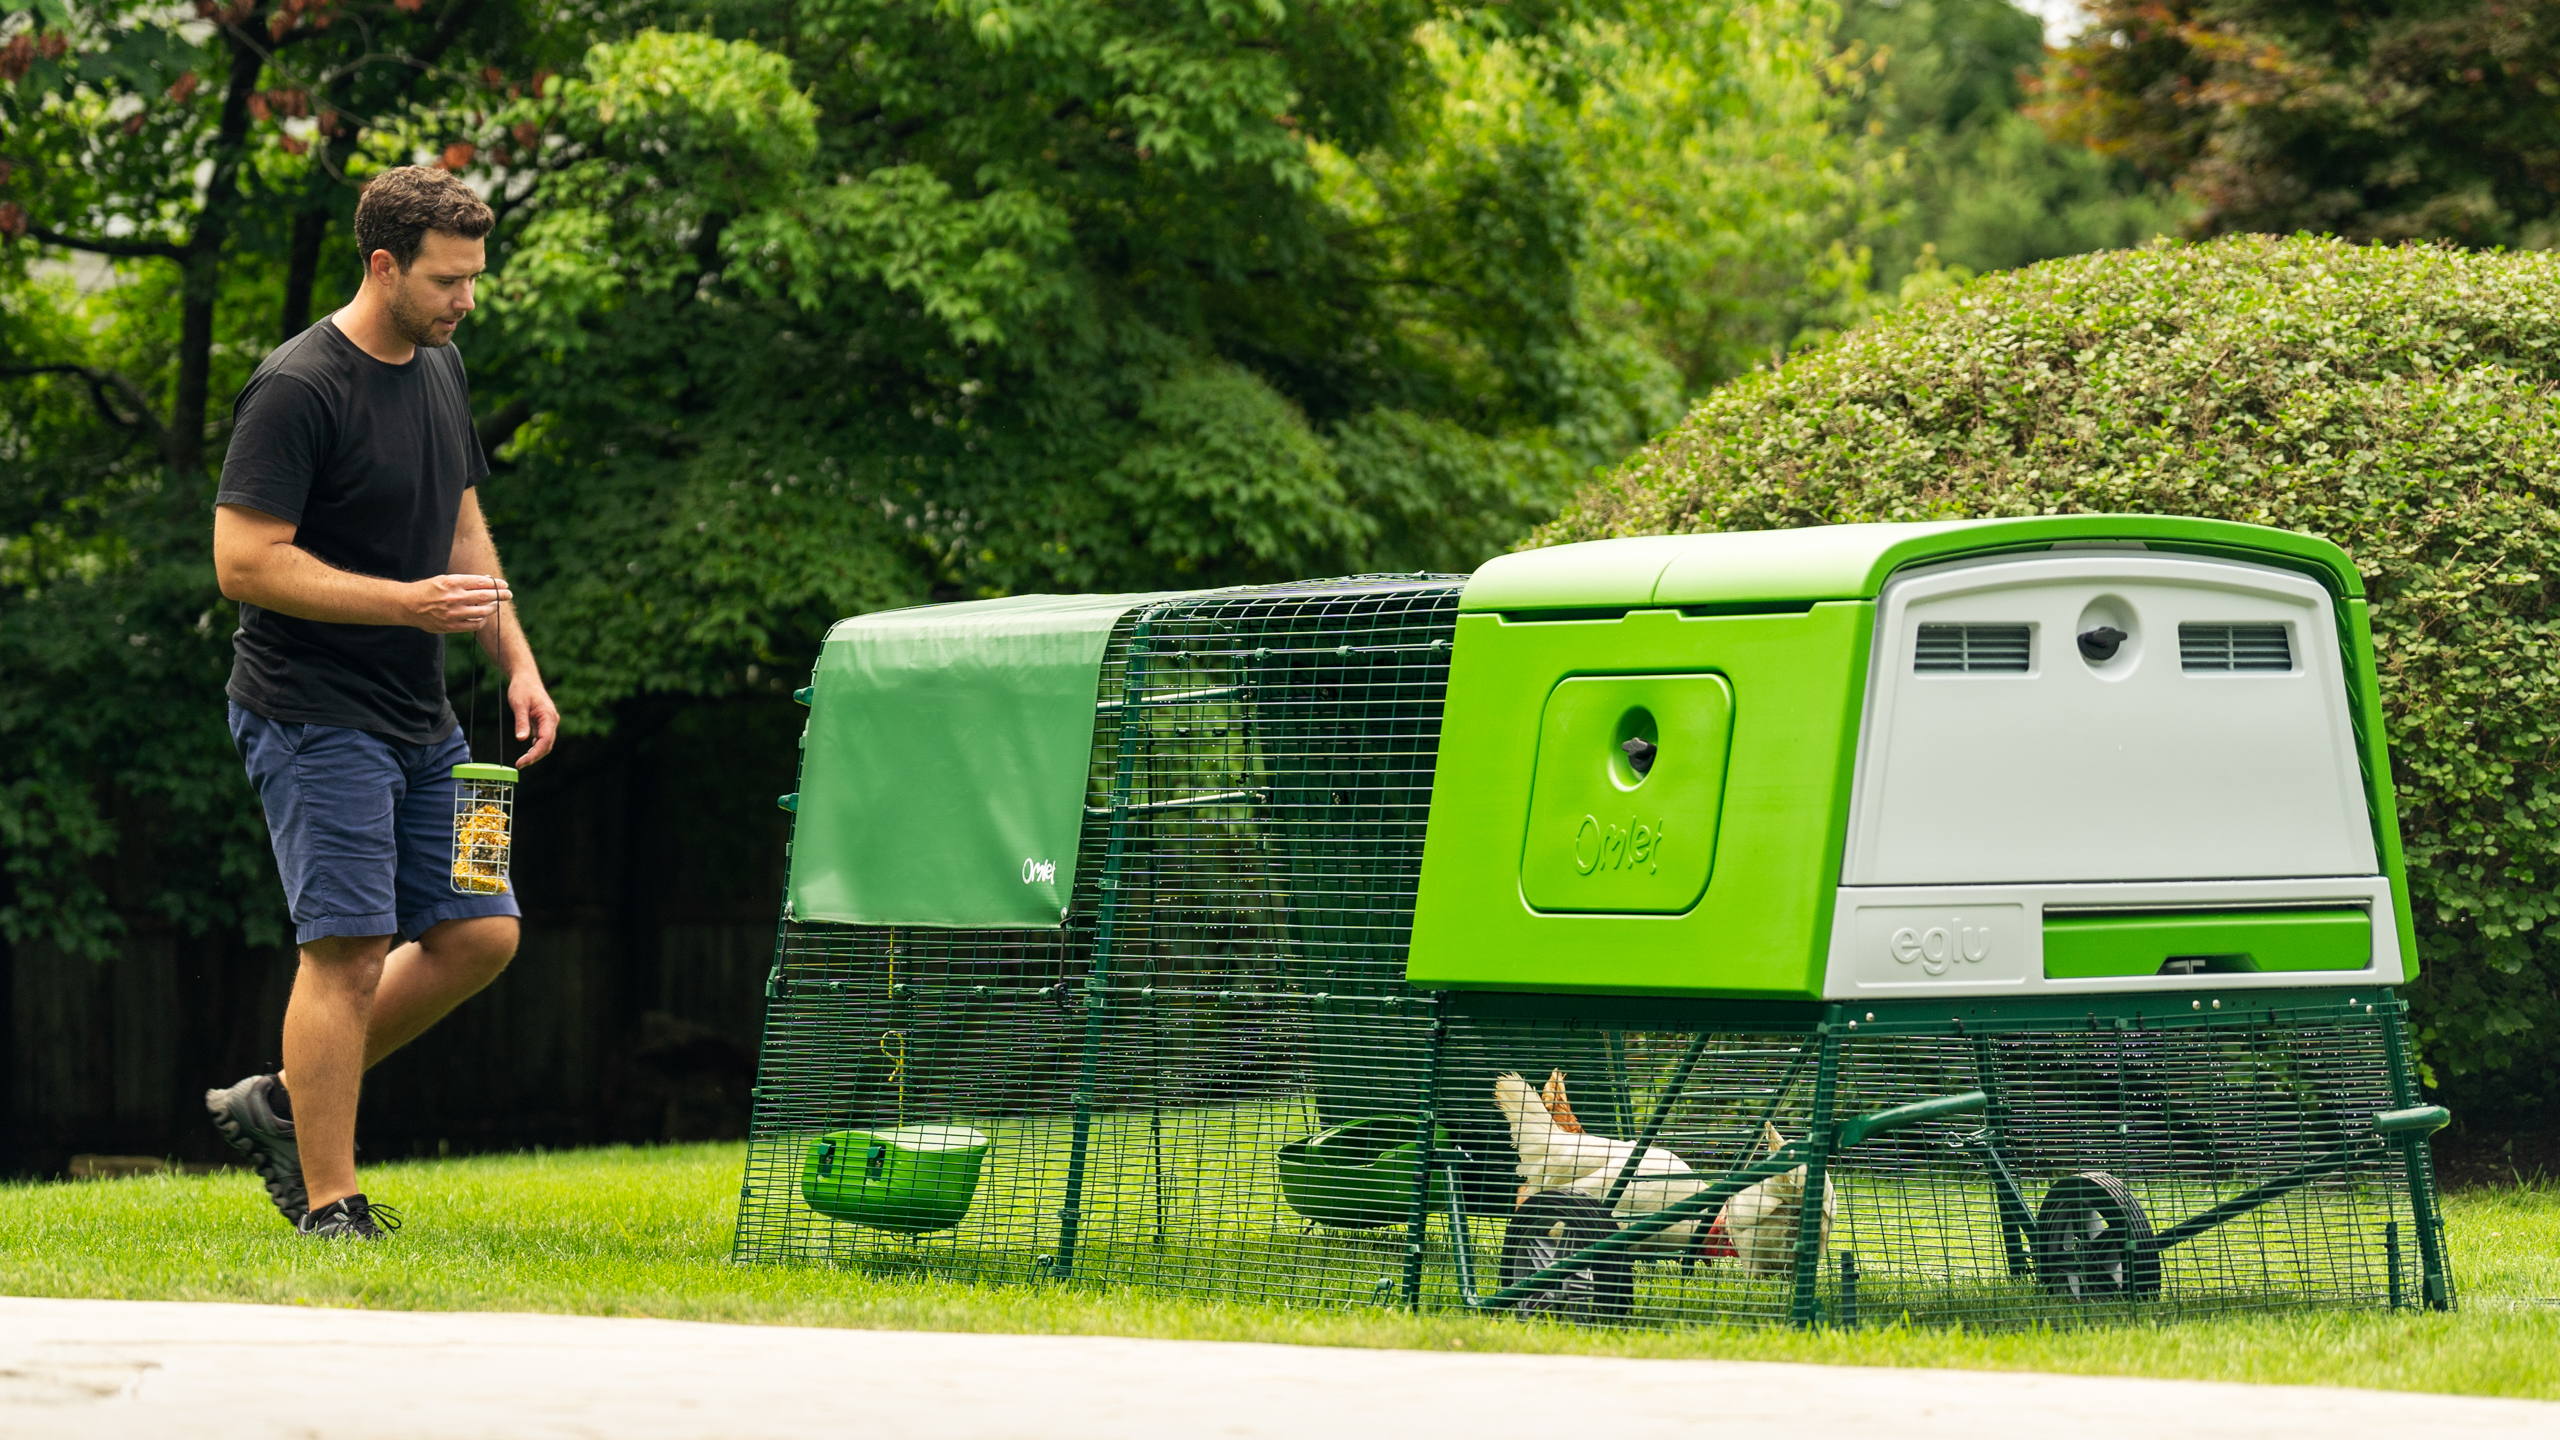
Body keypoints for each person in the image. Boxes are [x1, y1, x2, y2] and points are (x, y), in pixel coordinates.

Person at [202, 166, 559, 1240]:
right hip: (313, 713)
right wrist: (404, 607)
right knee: (350, 949)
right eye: (449, 280)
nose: (466, 300)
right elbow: (243, 563)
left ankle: (276, 1101)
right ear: (383, 264)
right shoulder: (299, 387)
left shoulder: (440, 370)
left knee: (482, 932)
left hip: (425, 719)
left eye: (474, 279)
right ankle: (329, 1201)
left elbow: (463, 534)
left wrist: (517, 661)